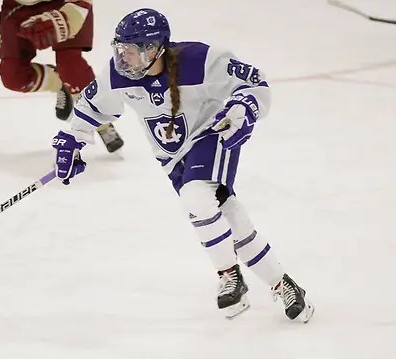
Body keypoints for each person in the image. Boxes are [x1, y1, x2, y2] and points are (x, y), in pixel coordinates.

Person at [50, 8, 315, 322]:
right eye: (121, 50)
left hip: (213, 134)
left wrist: (245, 107)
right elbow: (91, 109)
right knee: (226, 215)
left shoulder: (199, 60)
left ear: (154, 49)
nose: (124, 58)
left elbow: (255, 82)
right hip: (172, 159)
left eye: (131, 51)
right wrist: (71, 141)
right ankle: (283, 284)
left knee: (196, 198)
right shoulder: (117, 74)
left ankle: (229, 275)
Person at [0, 0, 124, 152]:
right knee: (13, 76)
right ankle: (58, 81)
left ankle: (101, 122)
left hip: (65, 3)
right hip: (17, 6)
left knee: (71, 68)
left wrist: (70, 17)